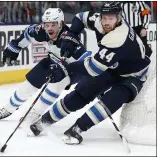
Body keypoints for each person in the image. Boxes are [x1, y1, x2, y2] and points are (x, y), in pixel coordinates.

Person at [28, 2, 151, 145]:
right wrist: (71, 36)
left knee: (113, 98)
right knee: (83, 91)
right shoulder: (98, 20)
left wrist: (67, 69)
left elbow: (93, 68)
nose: (106, 22)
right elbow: (80, 18)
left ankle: (78, 128)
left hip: (134, 74)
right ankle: (43, 121)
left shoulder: (119, 37)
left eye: (111, 19)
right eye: (104, 18)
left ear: (119, 18)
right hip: (112, 66)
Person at [0, 8, 88, 122]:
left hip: (72, 69)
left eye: (53, 25)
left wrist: (91, 81)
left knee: (57, 84)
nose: (49, 28)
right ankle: (8, 108)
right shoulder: (41, 31)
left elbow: (84, 61)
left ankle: (34, 114)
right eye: (47, 25)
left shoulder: (70, 39)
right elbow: (28, 33)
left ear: (61, 24)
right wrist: (16, 46)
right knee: (31, 81)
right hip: (53, 60)